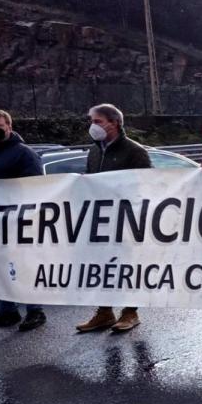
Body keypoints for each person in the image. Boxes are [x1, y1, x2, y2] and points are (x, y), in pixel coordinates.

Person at [72, 104, 153, 334]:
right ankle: (104, 312)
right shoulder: (95, 150)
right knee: (103, 266)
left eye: (97, 121)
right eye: (91, 121)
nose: (92, 126)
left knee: (128, 266)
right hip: (102, 219)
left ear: (114, 122)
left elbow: (146, 186)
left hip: (127, 219)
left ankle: (130, 312)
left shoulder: (135, 151)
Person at [0, 108, 48, 332]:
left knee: (24, 265)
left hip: (19, 220)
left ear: (9, 127)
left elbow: (36, 186)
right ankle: (8, 311)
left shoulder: (24, 153)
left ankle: (35, 311)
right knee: (1, 267)